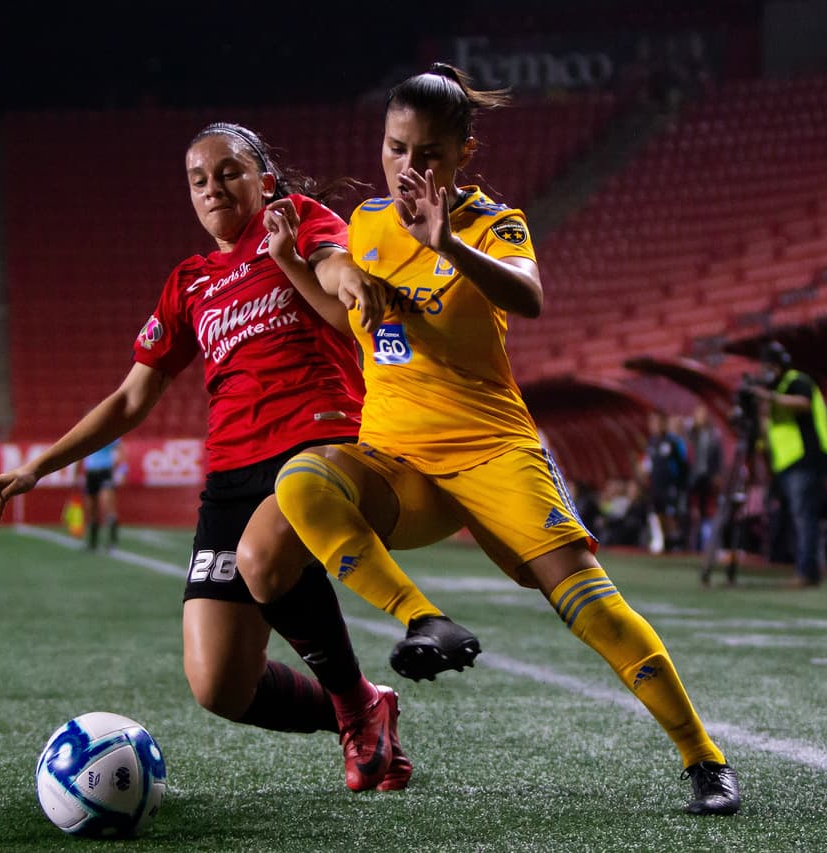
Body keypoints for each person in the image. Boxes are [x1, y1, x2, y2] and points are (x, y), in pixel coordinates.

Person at [240, 63, 739, 816]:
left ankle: (704, 758)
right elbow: (356, 323)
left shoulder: (489, 221)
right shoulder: (369, 224)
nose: (410, 167)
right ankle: (421, 617)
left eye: (429, 152)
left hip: (492, 450)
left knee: (591, 605)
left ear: (463, 151)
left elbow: (528, 296)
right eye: (396, 147)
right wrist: (290, 264)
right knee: (301, 481)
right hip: (396, 459)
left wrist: (446, 242)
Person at [0, 123, 410, 792]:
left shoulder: (300, 224)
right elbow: (129, 400)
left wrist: (344, 272)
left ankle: (354, 703)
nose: (213, 187)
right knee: (219, 685)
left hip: (321, 445)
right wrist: (39, 466)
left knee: (264, 556)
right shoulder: (189, 282)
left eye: (229, 171)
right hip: (231, 476)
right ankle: (363, 711)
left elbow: (332, 268)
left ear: (264, 179)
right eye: (198, 179)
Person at [750, 341, 827, 587]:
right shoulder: (776, 389)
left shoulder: (796, 381)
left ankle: (806, 572)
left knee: (803, 517)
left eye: (768, 365)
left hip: (805, 459)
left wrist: (770, 397)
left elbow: (804, 403)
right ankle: (806, 569)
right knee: (798, 517)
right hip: (787, 463)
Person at [644, 411, 689, 555]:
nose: (654, 426)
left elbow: (682, 464)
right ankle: (660, 540)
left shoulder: (673, 442)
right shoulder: (651, 442)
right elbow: (649, 464)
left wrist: (679, 484)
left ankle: (675, 542)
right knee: (656, 512)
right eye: (652, 423)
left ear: (663, 424)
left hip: (670, 485)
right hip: (656, 485)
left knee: (671, 514)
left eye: (657, 422)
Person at [686, 405, 723, 551]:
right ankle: (691, 545)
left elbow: (718, 457)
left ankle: (707, 545)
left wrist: (718, 474)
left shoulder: (714, 435)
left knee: (708, 511)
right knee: (692, 511)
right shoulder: (692, 433)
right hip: (694, 477)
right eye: (699, 413)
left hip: (708, 477)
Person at [80, 437, 122, 551]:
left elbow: (119, 450)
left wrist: (120, 469)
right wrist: (77, 474)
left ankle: (112, 542)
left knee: (107, 505)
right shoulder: (88, 430)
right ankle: (92, 543)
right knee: (90, 507)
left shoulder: (111, 429)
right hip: (90, 472)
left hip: (105, 470)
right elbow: (80, 452)